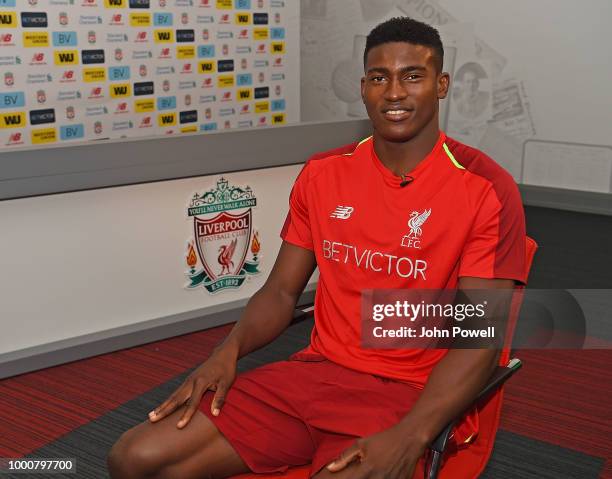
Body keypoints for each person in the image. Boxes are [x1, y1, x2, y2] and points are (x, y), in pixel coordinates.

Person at [107, 16, 526, 479]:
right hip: (315, 376)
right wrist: (227, 351)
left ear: (441, 84)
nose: (394, 93)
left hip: (407, 393)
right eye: (379, 77)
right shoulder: (323, 173)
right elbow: (282, 293)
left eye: (413, 76)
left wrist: (412, 434)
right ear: (363, 87)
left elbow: (476, 339)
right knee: (133, 459)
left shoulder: (487, 187)